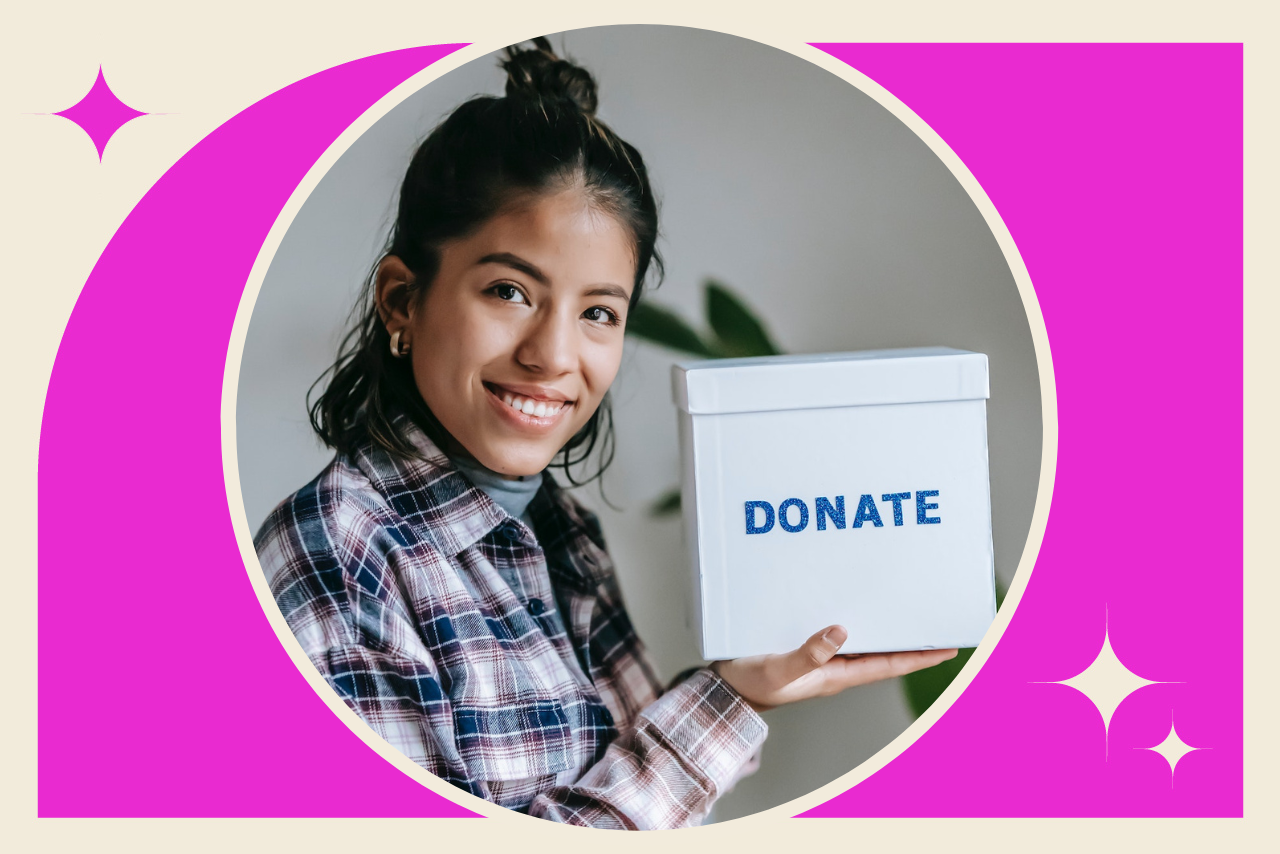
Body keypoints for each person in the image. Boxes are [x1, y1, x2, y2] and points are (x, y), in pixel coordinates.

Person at [254, 38, 957, 829]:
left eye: (598, 312)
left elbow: (637, 796)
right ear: (401, 301)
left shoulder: (562, 531)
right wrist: (720, 703)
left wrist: (749, 685)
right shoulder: (338, 554)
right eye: (509, 290)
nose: (553, 355)